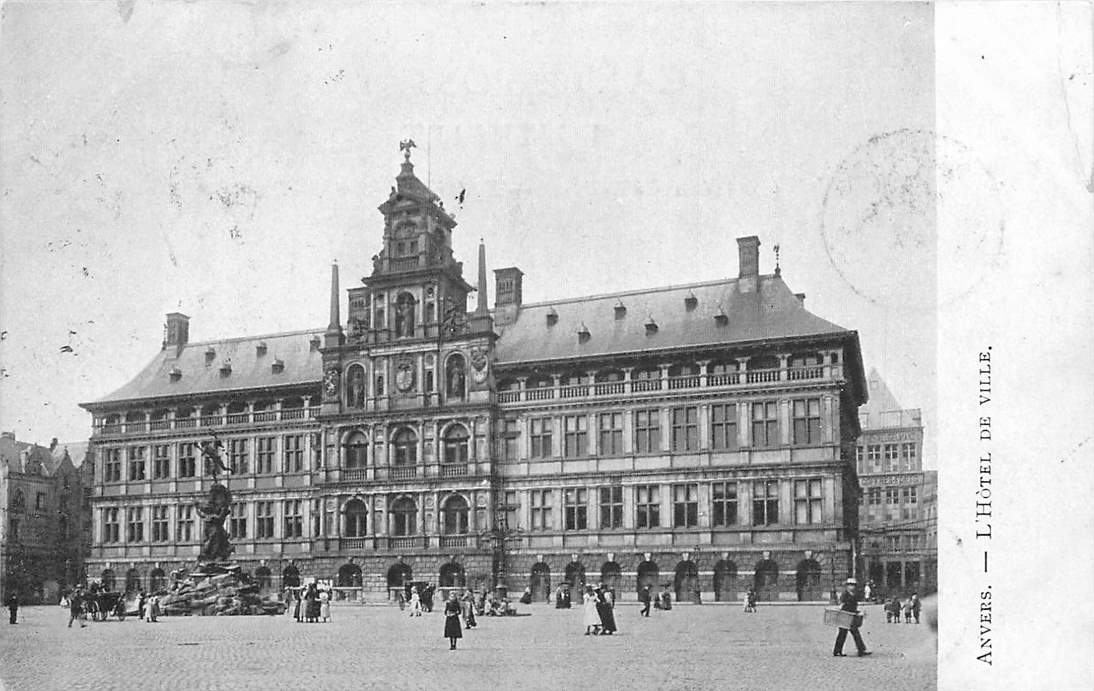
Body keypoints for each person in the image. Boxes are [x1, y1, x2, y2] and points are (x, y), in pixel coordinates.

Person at [833, 578, 871, 657]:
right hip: (845, 615)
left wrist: (857, 612)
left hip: (851, 615)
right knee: (842, 634)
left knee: (855, 633)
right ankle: (837, 651)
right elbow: (843, 604)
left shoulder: (854, 594)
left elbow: (853, 605)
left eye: (853, 585)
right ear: (847, 586)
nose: (852, 587)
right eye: (850, 585)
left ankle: (861, 650)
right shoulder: (845, 594)